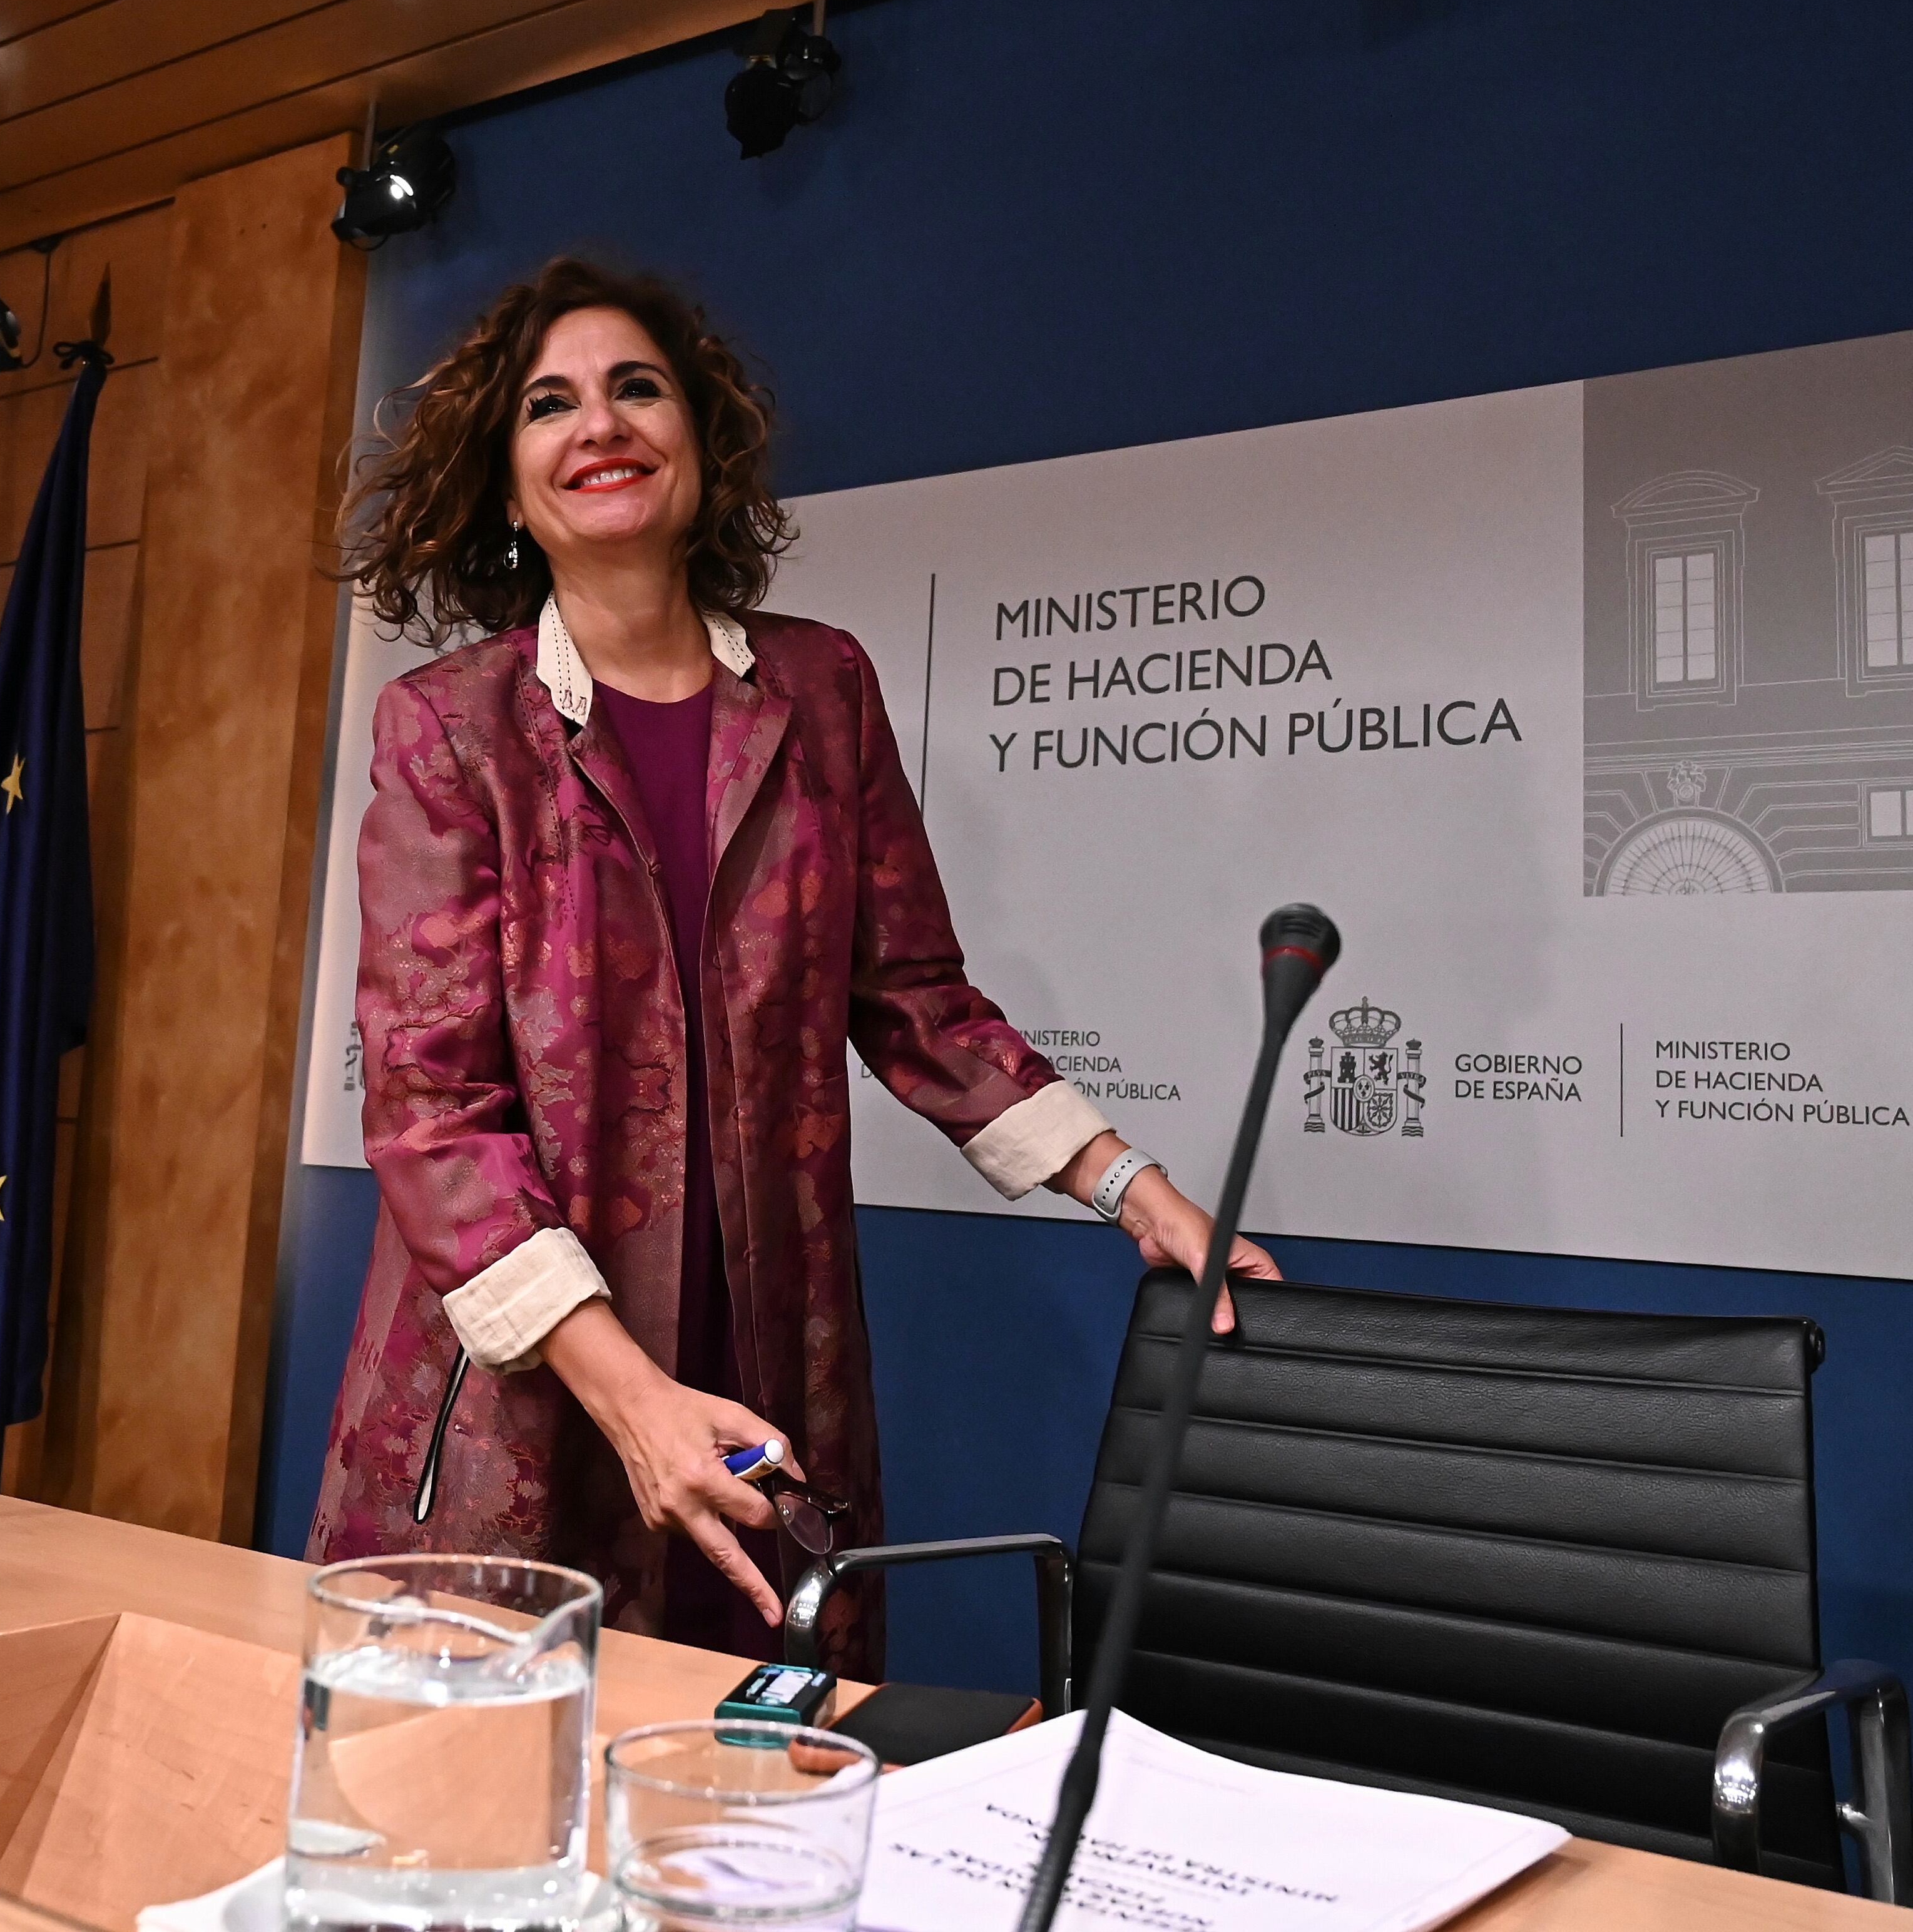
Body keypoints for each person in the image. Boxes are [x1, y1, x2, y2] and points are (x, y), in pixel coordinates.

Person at [307, 258, 1273, 1675]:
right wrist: (629, 1398)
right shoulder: (447, 726)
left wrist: (1128, 1186)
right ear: (509, 492)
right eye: (548, 404)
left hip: (768, 1356)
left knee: (750, 1780)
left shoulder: (822, 689)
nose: (599, 424)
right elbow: (430, 1109)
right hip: (537, 1380)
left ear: (702, 446)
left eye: (636, 387)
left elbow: (916, 996)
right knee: (486, 1809)